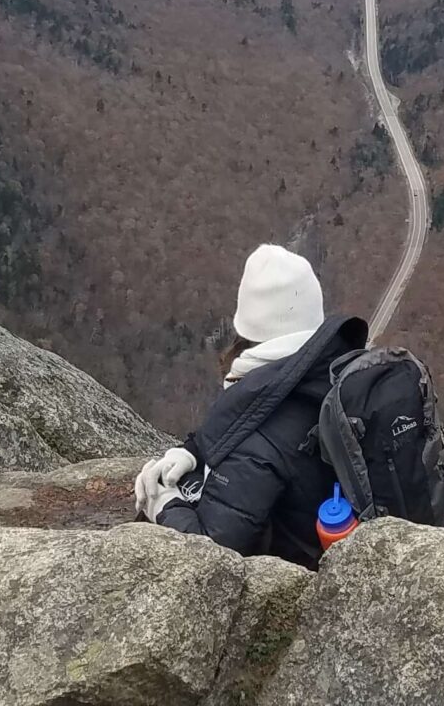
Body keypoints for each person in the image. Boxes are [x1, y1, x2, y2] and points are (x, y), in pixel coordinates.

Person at [133, 243, 369, 568]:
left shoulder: (263, 422)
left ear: (248, 329)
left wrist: (165, 505)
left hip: (293, 577)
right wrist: (192, 451)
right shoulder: (331, 369)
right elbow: (237, 433)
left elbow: (212, 556)